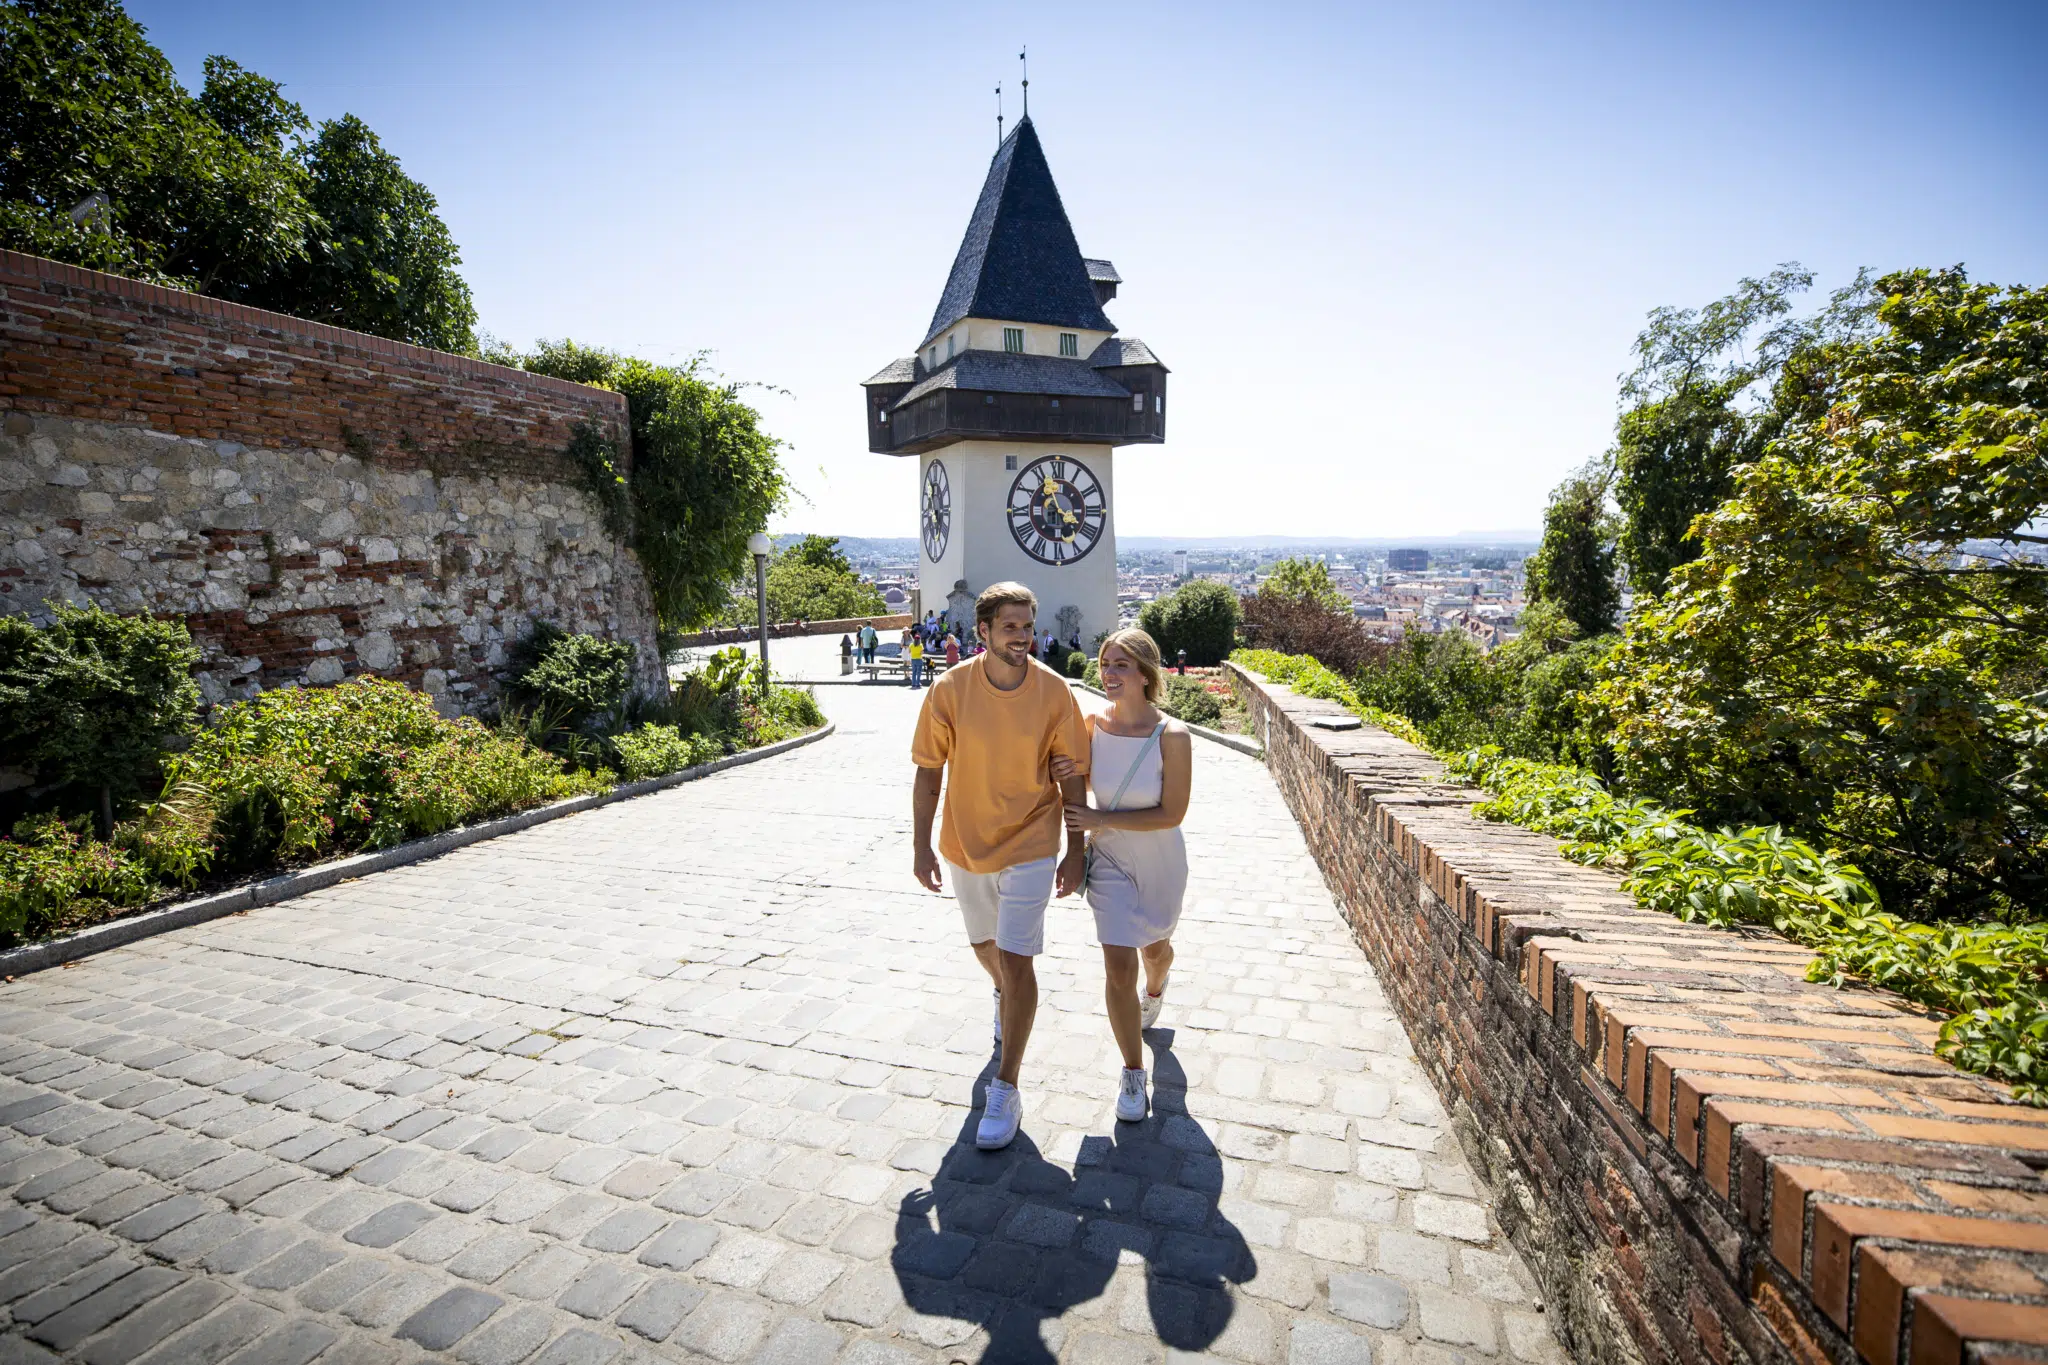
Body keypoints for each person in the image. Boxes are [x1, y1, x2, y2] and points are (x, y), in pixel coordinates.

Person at [912, 582, 1090, 1150]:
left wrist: (1076, 850)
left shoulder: (1055, 693)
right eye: (1010, 627)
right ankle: (1003, 998)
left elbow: (1070, 777)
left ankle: (1006, 1085)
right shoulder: (950, 689)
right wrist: (919, 846)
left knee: (1018, 964)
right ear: (982, 631)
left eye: (1027, 626)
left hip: (1032, 841)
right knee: (986, 950)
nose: (1022, 637)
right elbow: (928, 772)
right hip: (965, 841)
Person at [1053, 628, 1191, 1123]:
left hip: (1160, 862)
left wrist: (1101, 818)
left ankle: (1157, 987)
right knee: (1117, 967)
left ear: (1145, 675)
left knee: (1154, 950)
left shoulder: (1172, 736)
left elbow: (1172, 812)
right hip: (1108, 861)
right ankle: (1134, 1072)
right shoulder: (1091, 726)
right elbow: (1082, 781)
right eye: (1105, 663)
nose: (1108, 674)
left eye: (1120, 666)